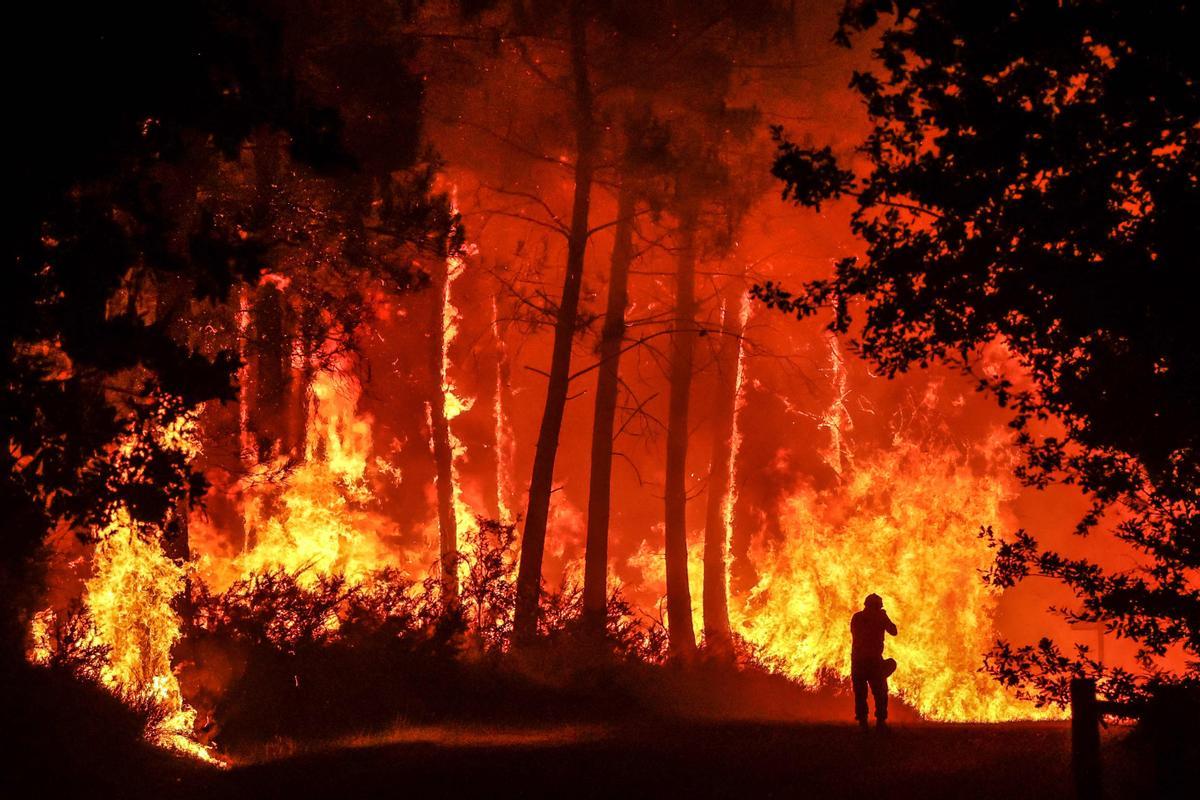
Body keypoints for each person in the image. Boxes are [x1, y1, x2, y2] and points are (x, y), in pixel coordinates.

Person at [851, 593, 898, 730]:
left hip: (858, 661)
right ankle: (880, 721)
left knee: (860, 693)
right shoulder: (880, 617)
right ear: (878, 607)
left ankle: (863, 722)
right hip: (873, 661)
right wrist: (884, 617)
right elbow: (894, 631)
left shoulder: (857, 617)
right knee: (881, 692)